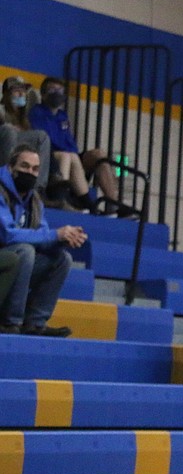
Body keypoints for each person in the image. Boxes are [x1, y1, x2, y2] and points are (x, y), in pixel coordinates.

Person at [0, 144, 87, 336]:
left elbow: (44, 233)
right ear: (10, 167)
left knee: (62, 259)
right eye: (24, 166)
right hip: (4, 261)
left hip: (17, 262)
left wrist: (63, 239)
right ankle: (10, 321)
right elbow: (8, 234)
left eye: (35, 169)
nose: (29, 173)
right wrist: (55, 234)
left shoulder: (34, 200)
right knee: (25, 251)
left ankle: (35, 323)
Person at [28, 76, 125, 215]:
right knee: (67, 155)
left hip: (70, 157)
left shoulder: (63, 116)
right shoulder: (37, 112)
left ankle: (114, 203)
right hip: (51, 159)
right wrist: (69, 152)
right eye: (52, 90)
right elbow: (48, 141)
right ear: (43, 94)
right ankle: (62, 198)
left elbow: (71, 143)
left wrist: (74, 154)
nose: (57, 93)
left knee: (99, 154)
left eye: (60, 90)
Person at [0, 76, 51, 193]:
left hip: (17, 148)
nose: (21, 94)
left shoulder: (24, 118)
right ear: (7, 93)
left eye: (23, 91)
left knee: (42, 137)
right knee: (9, 130)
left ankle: (37, 188)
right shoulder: (1, 109)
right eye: (17, 91)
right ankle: (6, 179)